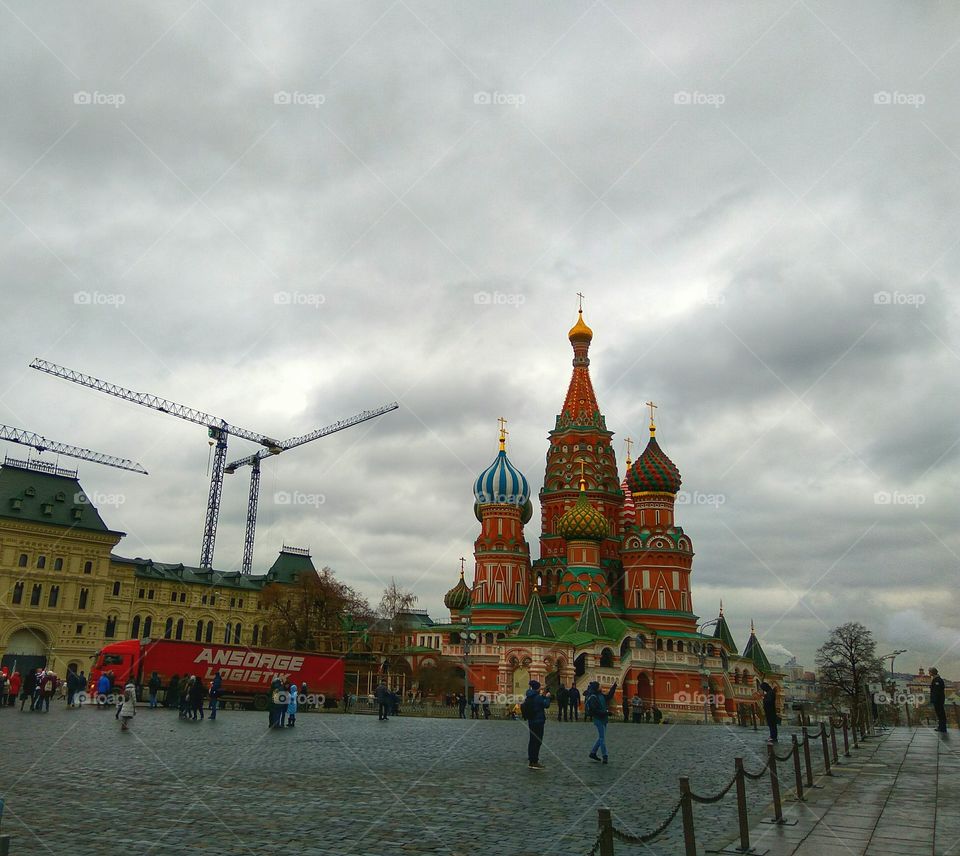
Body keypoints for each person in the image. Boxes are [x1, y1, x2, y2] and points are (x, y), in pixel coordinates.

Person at [585, 680, 617, 764]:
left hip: (604, 718)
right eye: (599, 686)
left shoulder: (600, 695)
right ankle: (605, 756)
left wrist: (614, 686)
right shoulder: (593, 697)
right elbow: (595, 710)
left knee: (601, 737)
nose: (601, 687)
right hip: (598, 719)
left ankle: (593, 753)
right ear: (596, 687)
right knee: (602, 738)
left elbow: (609, 696)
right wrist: (606, 713)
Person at [524, 680, 551, 770]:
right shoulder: (538, 697)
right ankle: (534, 761)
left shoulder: (529, 696)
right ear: (537, 688)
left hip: (531, 721)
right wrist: (547, 697)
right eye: (540, 687)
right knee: (537, 741)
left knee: (532, 741)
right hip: (538, 721)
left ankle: (531, 760)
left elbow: (538, 703)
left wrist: (542, 696)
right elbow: (546, 705)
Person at [930, 667, 947, 733]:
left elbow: (936, 691)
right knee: (940, 713)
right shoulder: (937, 679)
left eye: (930, 672)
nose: (929, 673)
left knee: (940, 713)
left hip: (938, 700)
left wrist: (934, 700)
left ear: (932, 672)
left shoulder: (937, 680)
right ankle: (941, 727)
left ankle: (942, 728)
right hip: (939, 700)